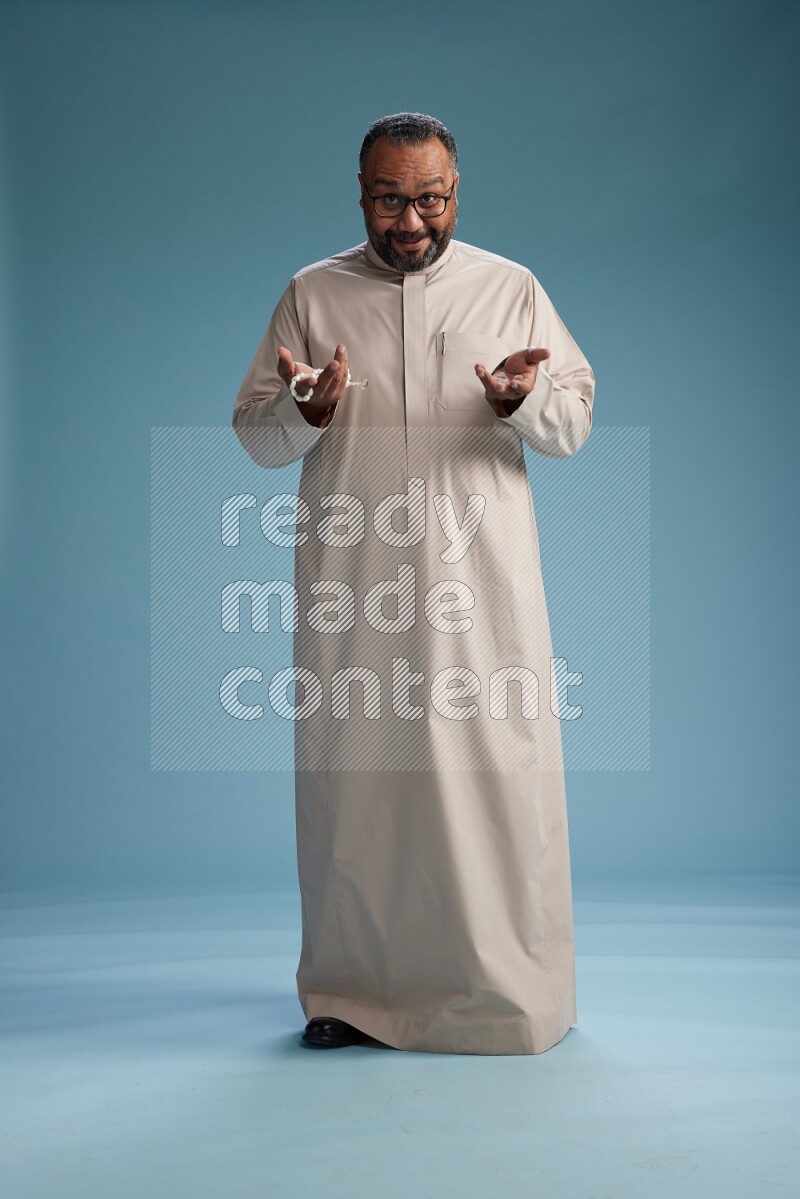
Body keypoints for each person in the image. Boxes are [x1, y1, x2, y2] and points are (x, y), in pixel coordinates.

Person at [232, 112, 595, 1055]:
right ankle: (352, 993)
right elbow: (258, 436)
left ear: (455, 194)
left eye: (428, 199)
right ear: (361, 195)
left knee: (493, 785)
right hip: (356, 591)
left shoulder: (509, 288)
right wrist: (306, 410)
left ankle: (511, 991)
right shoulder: (314, 292)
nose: (409, 221)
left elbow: (574, 423)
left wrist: (526, 399)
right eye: (390, 200)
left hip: (481, 593)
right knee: (357, 789)